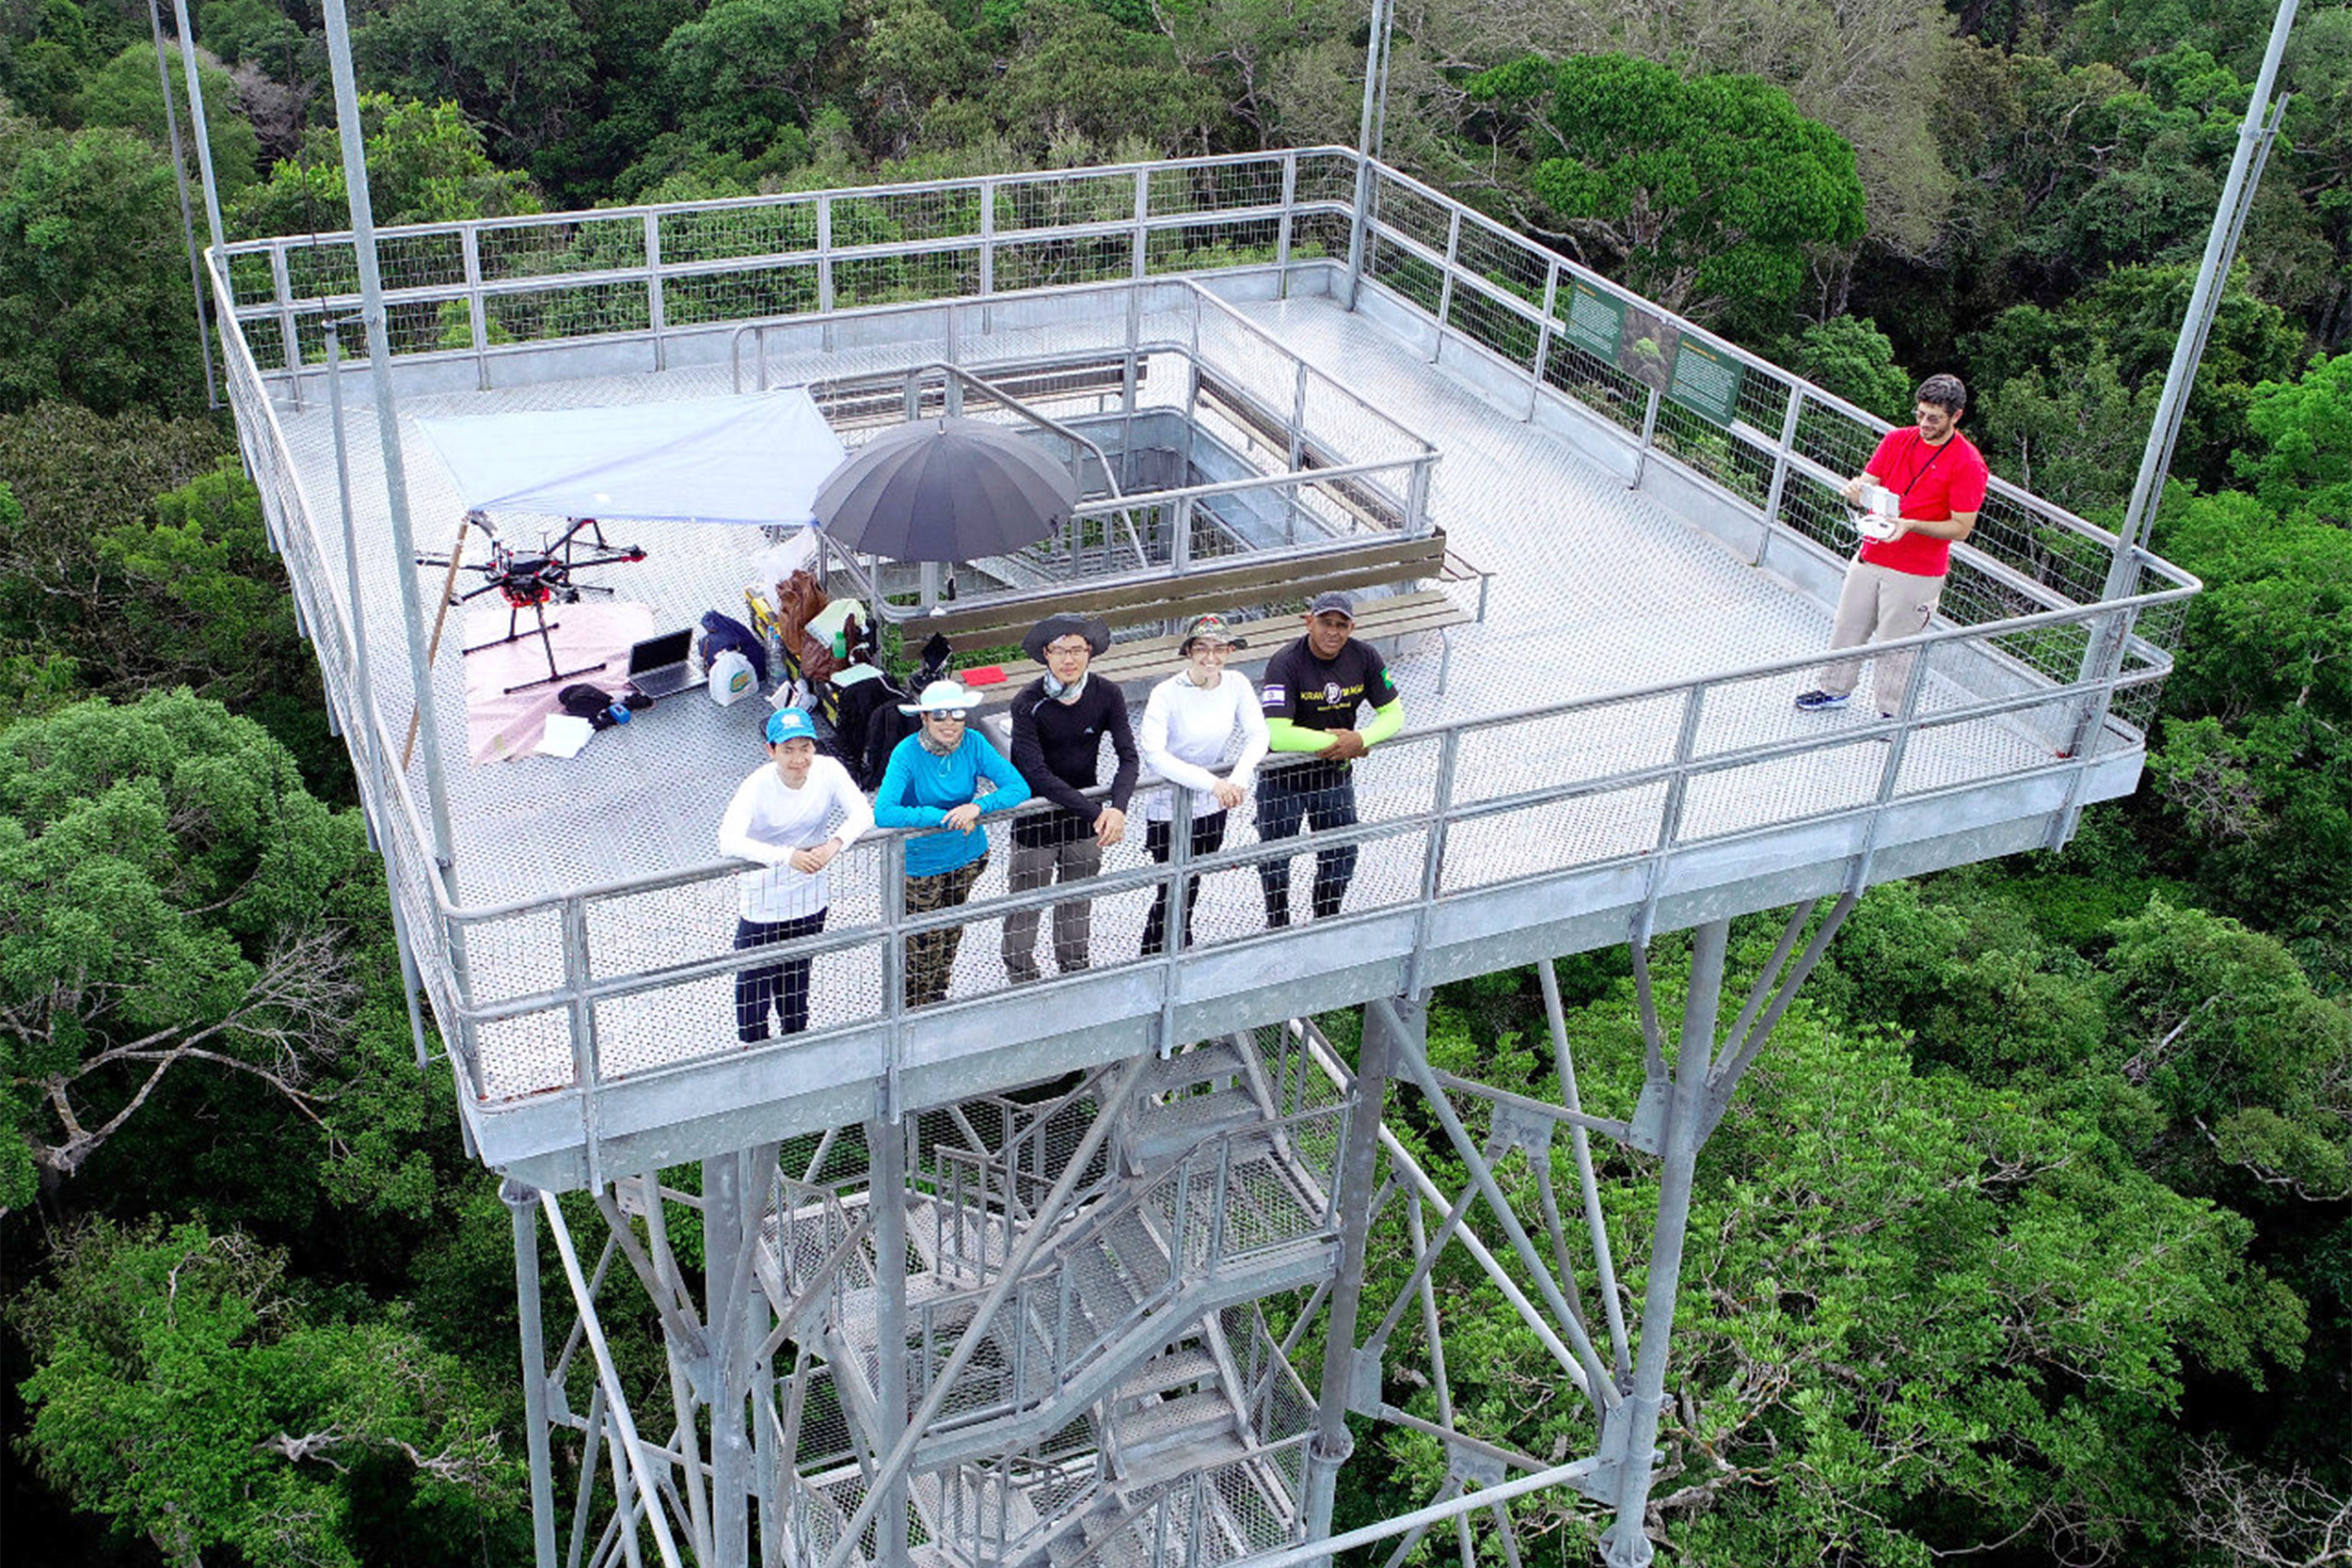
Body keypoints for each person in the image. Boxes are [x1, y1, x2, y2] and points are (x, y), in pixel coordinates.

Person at [1795, 373, 1990, 719]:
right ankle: (1834, 689)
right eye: (1920, 415)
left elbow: (1961, 528)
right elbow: (1869, 482)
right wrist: (1857, 491)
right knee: (1848, 626)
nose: (1924, 424)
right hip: (1872, 553)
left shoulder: (1968, 463)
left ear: (1956, 416)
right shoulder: (1898, 439)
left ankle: (1893, 714)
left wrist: (1911, 525)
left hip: (1916, 571)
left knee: (1896, 646)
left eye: (1934, 418)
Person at [716, 706, 875, 1040]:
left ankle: (795, 1041)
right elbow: (728, 841)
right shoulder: (756, 786)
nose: (798, 759)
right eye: (788, 750)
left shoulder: (828, 771)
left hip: (809, 899)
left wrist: (834, 845)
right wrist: (786, 857)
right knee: (753, 983)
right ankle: (754, 1050)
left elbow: (862, 813)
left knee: (795, 978)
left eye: (805, 748)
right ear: (771, 750)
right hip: (763, 903)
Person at [872, 678, 1033, 1006]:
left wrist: (978, 806)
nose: (949, 722)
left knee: (950, 932)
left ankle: (938, 997)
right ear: (924, 718)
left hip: (966, 856)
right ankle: (911, 1007)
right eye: (940, 714)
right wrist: (941, 817)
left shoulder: (973, 743)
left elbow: (1018, 787)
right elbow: (884, 812)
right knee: (921, 943)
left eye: (957, 714)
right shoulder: (906, 753)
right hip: (921, 866)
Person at [1003, 613, 1138, 984]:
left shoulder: (1106, 693)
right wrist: (1098, 812)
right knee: (1025, 904)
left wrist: (1118, 809)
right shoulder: (1026, 702)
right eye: (1059, 650)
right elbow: (1036, 773)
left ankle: (1075, 971)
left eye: (1077, 649)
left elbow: (1129, 756)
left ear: (1089, 653)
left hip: (1085, 821)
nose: (1068, 659)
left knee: (1078, 902)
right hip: (1037, 819)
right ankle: (1022, 976)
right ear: (1045, 654)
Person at [1256, 592, 1404, 927]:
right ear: (1309, 621)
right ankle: (1277, 925)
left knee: (1341, 854)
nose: (1332, 632)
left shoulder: (1365, 657)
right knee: (1275, 860)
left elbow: (1394, 715)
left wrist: (1362, 739)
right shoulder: (1285, 662)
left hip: (1334, 778)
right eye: (1325, 622)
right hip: (1283, 781)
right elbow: (1277, 733)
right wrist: (1344, 744)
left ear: (1352, 627)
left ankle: (1326, 921)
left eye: (1341, 625)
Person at [1138, 614, 1269, 955]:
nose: (1211, 657)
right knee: (1172, 886)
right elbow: (1155, 754)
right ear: (1188, 652)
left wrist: (1237, 780)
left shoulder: (1236, 683)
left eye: (1219, 648)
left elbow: (1258, 734)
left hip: (1214, 804)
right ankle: (1164, 953)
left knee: (1191, 881)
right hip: (1171, 805)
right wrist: (1213, 783)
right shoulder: (1165, 694)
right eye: (1202, 648)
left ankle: (1172, 950)